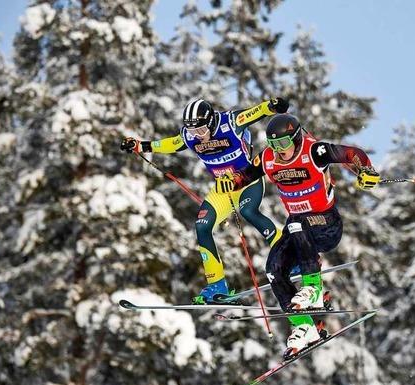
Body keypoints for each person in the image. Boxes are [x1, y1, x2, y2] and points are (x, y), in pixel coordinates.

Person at [217, 113, 380, 358]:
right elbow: (247, 174)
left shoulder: (315, 151)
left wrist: (366, 170)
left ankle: (313, 288)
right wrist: (232, 181)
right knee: (274, 269)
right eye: (273, 145)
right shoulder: (269, 158)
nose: (279, 150)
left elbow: (351, 154)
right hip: (298, 230)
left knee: (297, 223)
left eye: (283, 144)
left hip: (326, 225)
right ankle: (307, 327)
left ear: (295, 137)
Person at [120, 98, 289, 304]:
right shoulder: (190, 135)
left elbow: (256, 112)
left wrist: (273, 106)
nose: (198, 136)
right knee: (202, 226)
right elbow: (170, 143)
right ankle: (218, 285)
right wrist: (140, 145)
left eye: (201, 130)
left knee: (249, 212)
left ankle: (289, 257)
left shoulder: (230, 122)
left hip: (247, 182)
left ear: (210, 122)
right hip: (223, 189)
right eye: (193, 131)